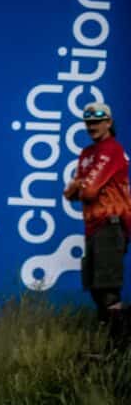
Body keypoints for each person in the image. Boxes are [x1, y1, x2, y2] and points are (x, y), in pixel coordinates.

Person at [63, 102, 131, 337]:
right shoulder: (86, 153)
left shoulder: (111, 149)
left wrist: (79, 185)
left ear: (109, 122)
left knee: (107, 290)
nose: (92, 126)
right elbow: (69, 193)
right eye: (88, 121)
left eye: (97, 121)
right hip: (93, 227)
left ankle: (119, 348)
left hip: (111, 224)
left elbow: (87, 191)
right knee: (95, 288)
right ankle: (108, 346)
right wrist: (79, 187)